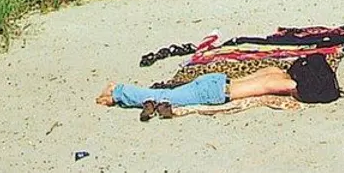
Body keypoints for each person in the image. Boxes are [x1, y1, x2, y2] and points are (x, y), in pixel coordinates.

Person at [96, 61, 328, 111]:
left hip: (218, 81)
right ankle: (118, 91)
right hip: (214, 92)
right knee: (165, 97)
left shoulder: (274, 71)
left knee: (170, 94)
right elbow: (300, 90)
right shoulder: (280, 81)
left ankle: (117, 92)